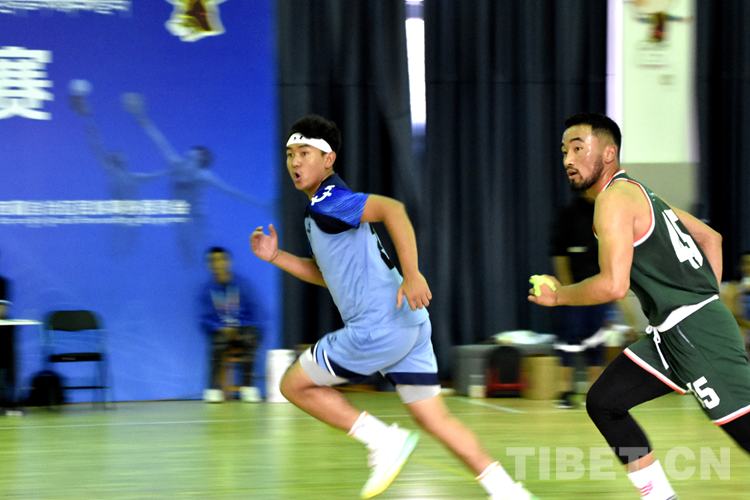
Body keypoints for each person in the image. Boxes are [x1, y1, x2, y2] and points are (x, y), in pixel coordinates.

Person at [251, 114, 537, 500]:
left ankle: (382, 439)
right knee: (435, 419)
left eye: (305, 153)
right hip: (409, 324)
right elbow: (326, 274)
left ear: (328, 159)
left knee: (293, 385)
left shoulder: (329, 200)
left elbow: (393, 210)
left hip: (377, 327)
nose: (295, 162)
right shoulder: (322, 210)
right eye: (290, 154)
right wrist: (277, 256)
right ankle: (509, 491)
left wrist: (413, 274)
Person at [529, 112, 750, 500]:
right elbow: (711, 238)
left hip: (694, 331)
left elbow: (613, 285)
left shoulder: (613, 200)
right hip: (672, 332)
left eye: (578, 148)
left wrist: (559, 295)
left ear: (609, 153)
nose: (568, 159)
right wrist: (707, 300)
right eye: (564, 151)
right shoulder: (642, 193)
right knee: (604, 402)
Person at [124, 92, 262, 265]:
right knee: (186, 256)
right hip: (180, 221)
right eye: (190, 153)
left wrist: (260, 204)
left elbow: (231, 191)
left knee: (203, 253)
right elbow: (159, 141)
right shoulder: (176, 165)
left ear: (200, 161)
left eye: (196, 155)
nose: (190, 155)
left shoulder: (204, 176)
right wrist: (143, 118)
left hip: (198, 221)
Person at [549, 192, 612, 408]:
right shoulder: (569, 213)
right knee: (568, 341)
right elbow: (559, 253)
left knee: (596, 341)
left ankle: (594, 394)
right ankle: (565, 392)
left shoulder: (605, 212)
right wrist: (567, 291)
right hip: (575, 290)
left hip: (599, 290)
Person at [199, 247, 263, 403]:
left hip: (241, 327)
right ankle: (214, 389)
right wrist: (220, 327)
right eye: (214, 261)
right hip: (220, 330)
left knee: (251, 337)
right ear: (209, 265)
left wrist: (238, 326)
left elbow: (252, 311)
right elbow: (205, 318)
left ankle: (247, 387)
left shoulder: (242, 285)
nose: (218, 264)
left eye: (221, 260)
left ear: (228, 262)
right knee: (218, 342)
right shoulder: (207, 290)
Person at [720, 252, 750, 350]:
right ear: (740, 267)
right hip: (743, 332)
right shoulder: (731, 289)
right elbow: (731, 316)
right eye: (746, 263)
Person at [0, 250, 16, 413]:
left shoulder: (3, 283)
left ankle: (9, 399)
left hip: (2, 329)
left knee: (10, 333)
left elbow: (2, 309)